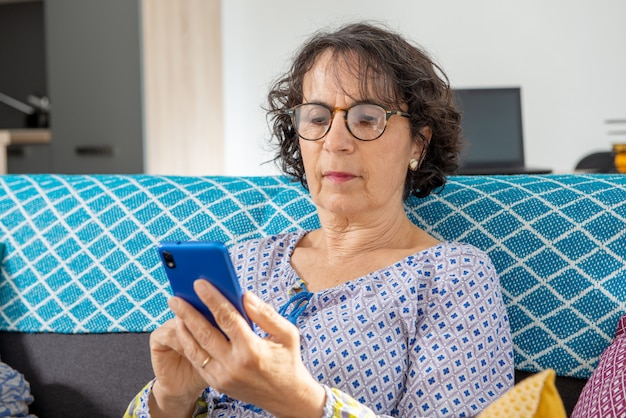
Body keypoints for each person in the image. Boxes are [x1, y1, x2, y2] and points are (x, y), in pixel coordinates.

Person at [125, 22, 514, 418]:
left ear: (418, 143)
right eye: (316, 117)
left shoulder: (453, 276)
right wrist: (170, 401)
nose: (335, 141)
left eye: (366, 118)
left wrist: (300, 401)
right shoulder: (242, 261)